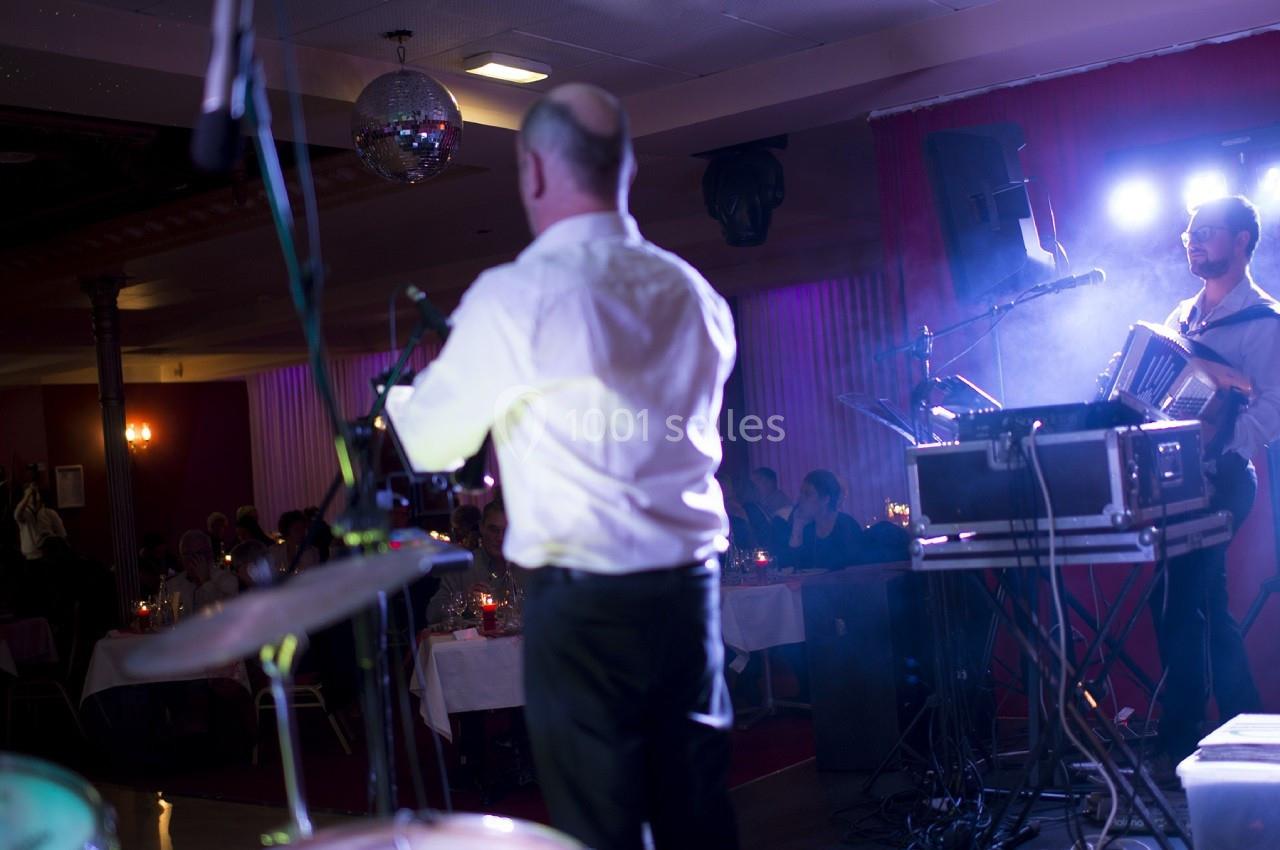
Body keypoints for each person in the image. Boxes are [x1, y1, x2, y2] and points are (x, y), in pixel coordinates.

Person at [390, 83, 738, 849]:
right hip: (690, 595)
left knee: (601, 823)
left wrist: (403, 402)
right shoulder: (695, 293)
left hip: (585, 608)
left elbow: (434, 447)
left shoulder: (518, 296)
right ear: (626, 168)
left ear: (533, 171)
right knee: (695, 816)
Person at [1150, 195, 1279, 763]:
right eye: (1190, 233)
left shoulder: (1265, 320)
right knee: (1201, 601)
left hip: (1226, 478)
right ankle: (1239, 729)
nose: (1193, 240)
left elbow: (1275, 404)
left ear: (1243, 241)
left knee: (1177, 601)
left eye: (1208, 232)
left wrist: (1226, 449)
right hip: (1176, 480)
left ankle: (1182, 733)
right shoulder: (1179, 317)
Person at [779, 469, 865, 570]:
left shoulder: (846, 526)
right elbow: (793, 567)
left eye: (807, 494)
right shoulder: (808, 528)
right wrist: (797, 527)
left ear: (825, 499)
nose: (800, 498)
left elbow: (854, 569)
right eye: (801, 493)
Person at [169, 529, 238, 613]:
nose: (193, 559)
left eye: (198, 553)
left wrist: (206, 581)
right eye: (188, 554)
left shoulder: (227, 579)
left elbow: (225, 613)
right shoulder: (173, 585)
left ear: (209, 554)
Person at [13, 482, 67, 561]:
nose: (33, 495)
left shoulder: (49, 513)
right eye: (30, 494)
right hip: (29, 556)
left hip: (48, 555)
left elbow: (62, 534)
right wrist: (28, 495)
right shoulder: (24, 514)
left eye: (35, 492)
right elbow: (17, 514)